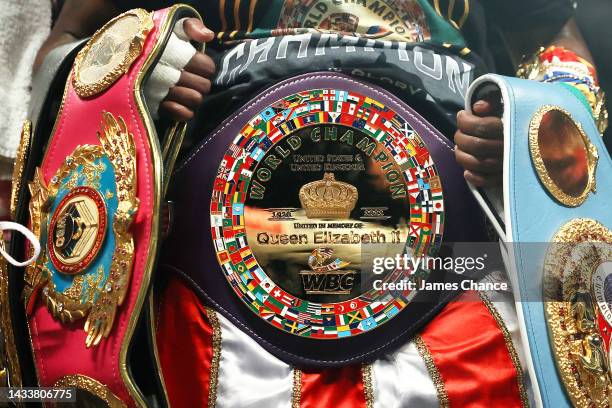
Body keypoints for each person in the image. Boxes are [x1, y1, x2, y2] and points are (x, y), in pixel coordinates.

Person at [30, 1, 603, 406]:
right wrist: (132, 67)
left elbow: (557, 46)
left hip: (460, 263)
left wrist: (532, 119)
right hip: (198, 271)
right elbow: (62, 46)